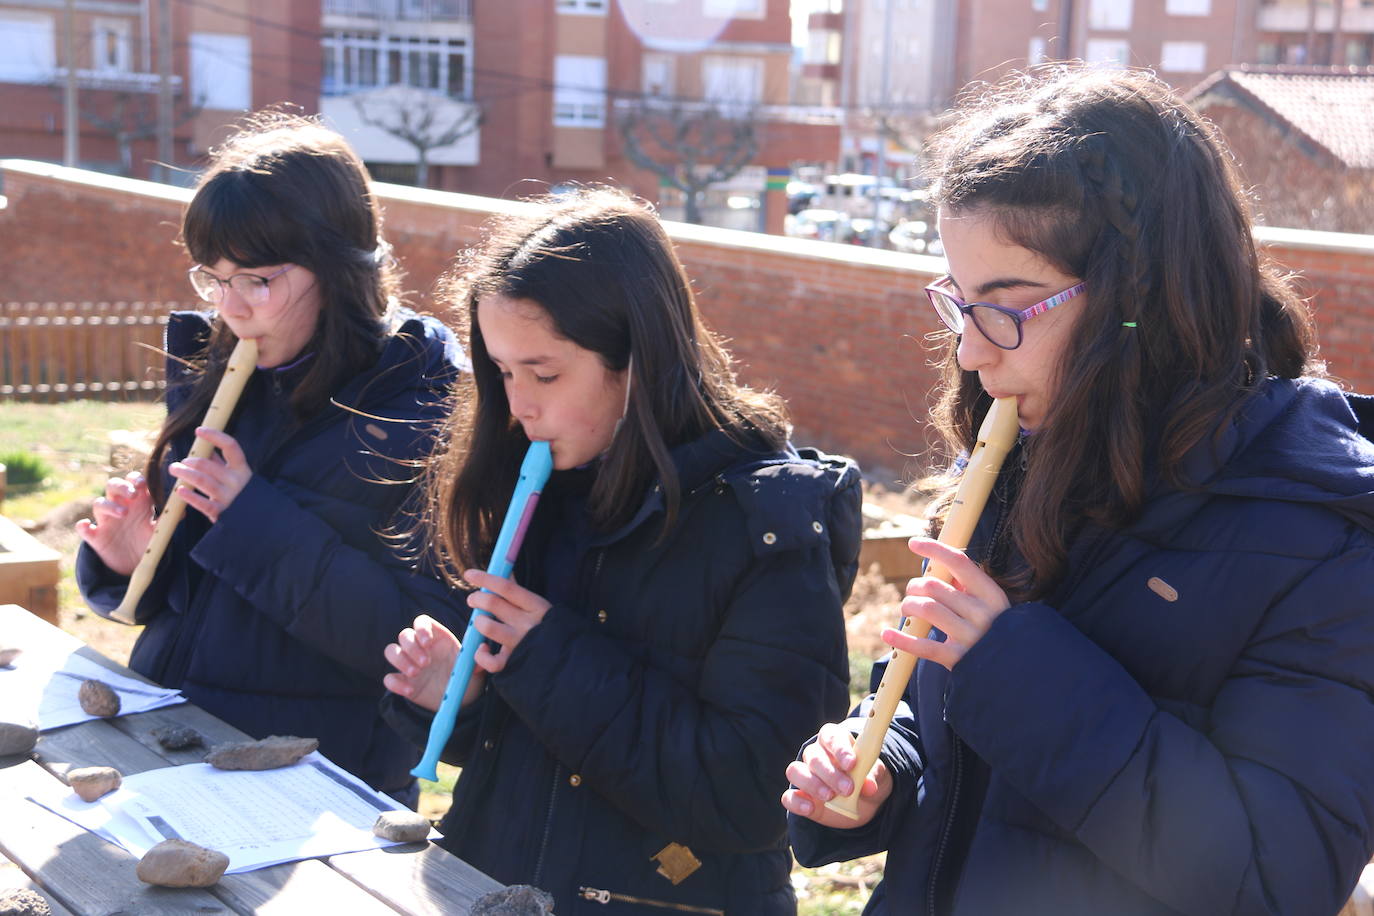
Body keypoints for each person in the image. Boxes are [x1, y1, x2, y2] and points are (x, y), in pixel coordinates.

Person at [784, 66, 1374, 915]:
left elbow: (1275, 878)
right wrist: (879, 767)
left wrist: (1008, 665)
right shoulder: (1020, 456)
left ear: (1142, 299)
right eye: (960, 302)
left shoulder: (1317, 536)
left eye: (1006, 306)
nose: (969, 355)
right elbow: (931, 716)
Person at [380, 187, 862, 913]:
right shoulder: (545, 484)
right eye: (504, 373)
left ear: (638, 360)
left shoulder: (767, 523)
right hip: (495, 888)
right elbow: (544, 764)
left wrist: (543, 657)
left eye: (543, 374)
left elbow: (754, 795)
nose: (518, 405)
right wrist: (468, 697)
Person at [75, 114, 464, 805]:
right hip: (176, 739)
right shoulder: (225, 371)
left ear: (340, 267)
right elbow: (198, 611)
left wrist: (249, 518)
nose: (232, 308)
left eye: (257, 279)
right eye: (213, 279)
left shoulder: (424, 410)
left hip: (321, 780)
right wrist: (137, 560)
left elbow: (418, 641)